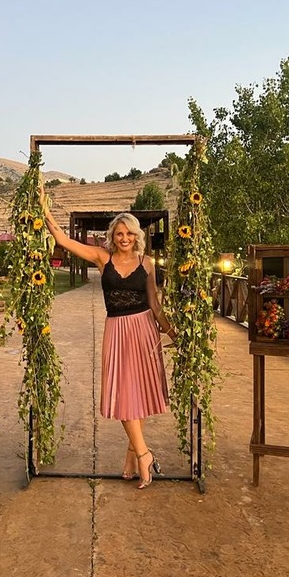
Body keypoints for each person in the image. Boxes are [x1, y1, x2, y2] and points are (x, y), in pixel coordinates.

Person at [43, 202, 176, 489]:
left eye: (129, 233)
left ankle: (132, 456)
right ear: (112, 237)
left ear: (136, 236)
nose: (124, 238)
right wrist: (45, 209)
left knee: (139, 393)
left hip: (144, 331)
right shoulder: (103, 258)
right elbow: (63, 240)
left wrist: (175, 336)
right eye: (119, 234)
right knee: (123, 393)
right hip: (116, 330)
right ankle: (144, 454)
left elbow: (155, 305)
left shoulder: (147, 263)